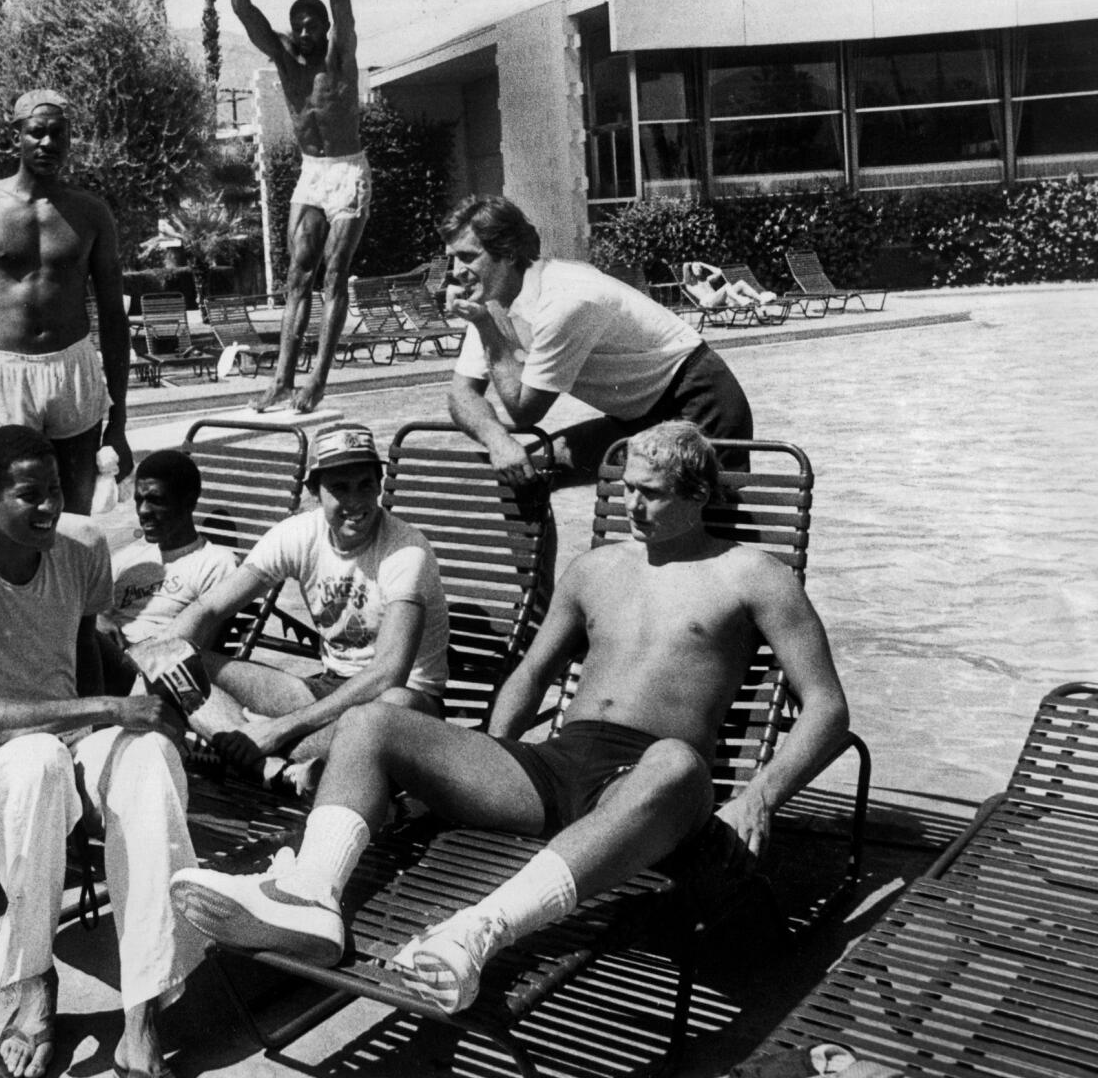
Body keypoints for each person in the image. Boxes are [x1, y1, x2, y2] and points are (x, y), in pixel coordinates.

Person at [168, 421, 851, 1016]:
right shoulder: (595, 568)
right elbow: (529, 675)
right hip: (557, 765)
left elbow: (825, 704)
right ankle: (310, 895)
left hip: (647, 786)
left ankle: (476, 933)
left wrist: (759, 793)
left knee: (679, 762)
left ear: (697, 494)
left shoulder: (755, 575)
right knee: (373, 722)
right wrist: (485, 758)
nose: (628, 504)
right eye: (625, 488)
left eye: (649, 492)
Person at [0, 425, 203, 1078]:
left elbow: (80, 646)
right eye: (28, 494)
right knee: (37, 763)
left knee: (149, 761)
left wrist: (139, 713)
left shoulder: (78, 551)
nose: (50, 506)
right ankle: (33, 980)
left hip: (69, 742)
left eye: (56, 489)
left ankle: (141, 1021)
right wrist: (103, 707)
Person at [133, 424, 449, 794]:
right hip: (326, 691)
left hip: (403, 702)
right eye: (339, 488)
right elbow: (208, 607)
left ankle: (231, 745)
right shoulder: (300, 533)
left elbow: (388, 674)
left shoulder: (406, 551)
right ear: (315, 492)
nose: (356, 502)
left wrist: (278, 728)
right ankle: (268, 763)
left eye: (365, 485)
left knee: (391, 708)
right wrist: (158, 659)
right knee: (179, 660)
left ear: (380, 486)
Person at [443, 196, 754, 486]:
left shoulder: (563, 299)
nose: (457, 272)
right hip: (635, 415)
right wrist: (498, 439)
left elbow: (525, 412)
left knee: (706, 521)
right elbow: (461, 393)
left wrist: (484, 324)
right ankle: (538, 546)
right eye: (452, 258)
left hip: (696, 399)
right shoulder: (494, 297)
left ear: (508, 253)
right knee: (524, 476)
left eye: (468, 257)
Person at [0, 88, 134, 515]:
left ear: (69, 139)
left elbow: (114, 319)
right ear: (17, 138)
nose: (47, 143)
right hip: (9, 372)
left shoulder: (90, 213)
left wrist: (118, 423)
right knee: (6, 512)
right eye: (36, 133)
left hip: (73, 370)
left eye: (58, 134)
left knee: (76, 512)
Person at [227, 0, 366, 415]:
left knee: (333, 276)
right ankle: (282, 379)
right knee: (296, 276)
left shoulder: (339, 59)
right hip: (312, 173)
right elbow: (242, 8)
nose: (306, 32)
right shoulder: (285, 60)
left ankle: (317, 381)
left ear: (327, 31)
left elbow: (341, 0)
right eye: (299, 25)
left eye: (315, 26)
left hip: (349, 173)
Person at [95, 450, 239, 691]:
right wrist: (100, 617)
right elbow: (94, 611)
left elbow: (199, 650)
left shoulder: (216, 563)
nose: (143, 511)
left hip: (158, 676)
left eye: (156, 500)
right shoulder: (128, 558)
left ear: (189, 501)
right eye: (139, 500)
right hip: (103, 661)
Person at [681, 260, 778, 312]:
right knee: (727, 285)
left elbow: (719, 272)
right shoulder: (689, 283)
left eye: (700, 267)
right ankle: (742, 300)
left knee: (740, 283)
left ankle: (761, 299)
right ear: (691, 270)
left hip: (719, 300)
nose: (699, 269)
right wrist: (690, 264)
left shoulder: (707, 280)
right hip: (708, 303)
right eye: (696, 268)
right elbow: (685, 266)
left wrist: (703, 264)